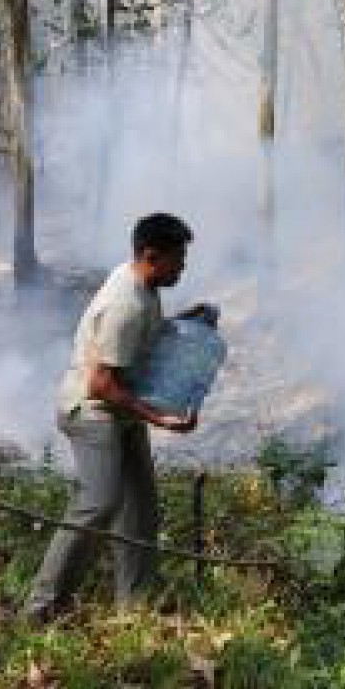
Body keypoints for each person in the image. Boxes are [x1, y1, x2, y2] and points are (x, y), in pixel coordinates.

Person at [23, 213, 211, 621]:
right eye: (177, 259)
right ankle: (41, 607)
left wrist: (186, 322)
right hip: (91, 412)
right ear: (150, 255)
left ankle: (136, 607)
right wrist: (158, 419)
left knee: (140, 509)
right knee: (100, 502)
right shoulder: (124, 303)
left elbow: (143, 339)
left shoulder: (141, 283)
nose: (182, 268)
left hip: (118, 409)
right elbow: (100, 384)